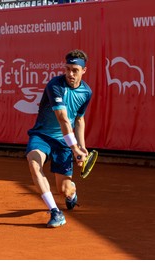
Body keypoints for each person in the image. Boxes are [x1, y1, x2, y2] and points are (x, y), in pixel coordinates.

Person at [26, 49, 93, 228]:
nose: (70, 74)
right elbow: (63, 118)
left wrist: (82, 147)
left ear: (83, 71)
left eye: (75, 70)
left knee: (63, 190)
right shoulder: (55, 85)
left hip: (64, 143)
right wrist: (75, 148)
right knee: (33, 163)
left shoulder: (86, 92)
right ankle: (55, 211)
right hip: (43, 135)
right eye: (68, 69)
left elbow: (79, 119)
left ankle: (71, 194)